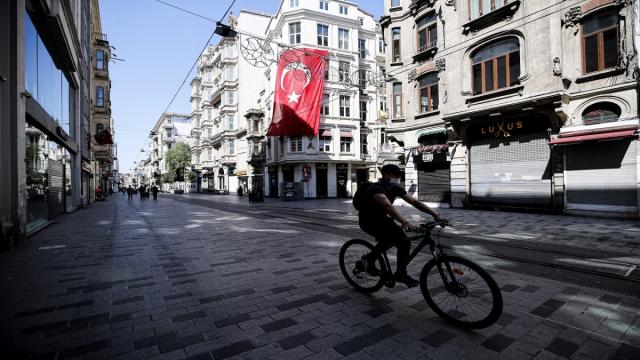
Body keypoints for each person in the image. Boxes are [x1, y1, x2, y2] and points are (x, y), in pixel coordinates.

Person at [358, 164, 446, 288]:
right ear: (387, 174)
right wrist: (405, 222)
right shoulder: (376, 188)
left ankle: (400, 274)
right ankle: (368, 260)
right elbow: (387, 206)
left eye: (399, 175)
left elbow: (414, 202)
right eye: (396, 175)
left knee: (404, 242)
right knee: (391, 239)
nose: (399, 177)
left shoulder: (394, 188)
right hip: (368, 221)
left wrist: (435, 215)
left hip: (383, 220)